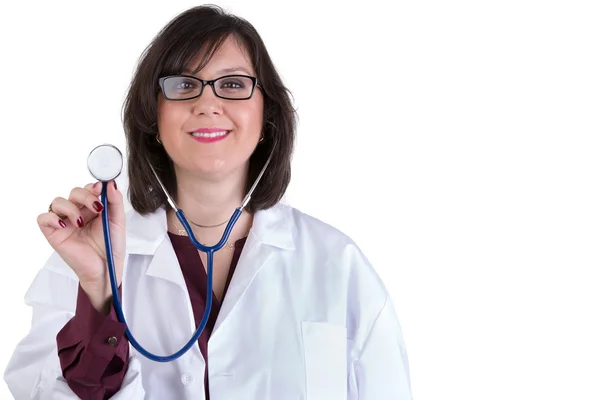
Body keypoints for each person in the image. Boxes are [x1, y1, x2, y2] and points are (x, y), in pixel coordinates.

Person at [4, 5, 412, 399]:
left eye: (233, 84)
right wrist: (98, 293)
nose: (207, 103)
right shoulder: (86, 256)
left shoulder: (337, 264)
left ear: (266, 117)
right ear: (155, 120)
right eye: (183, 85)